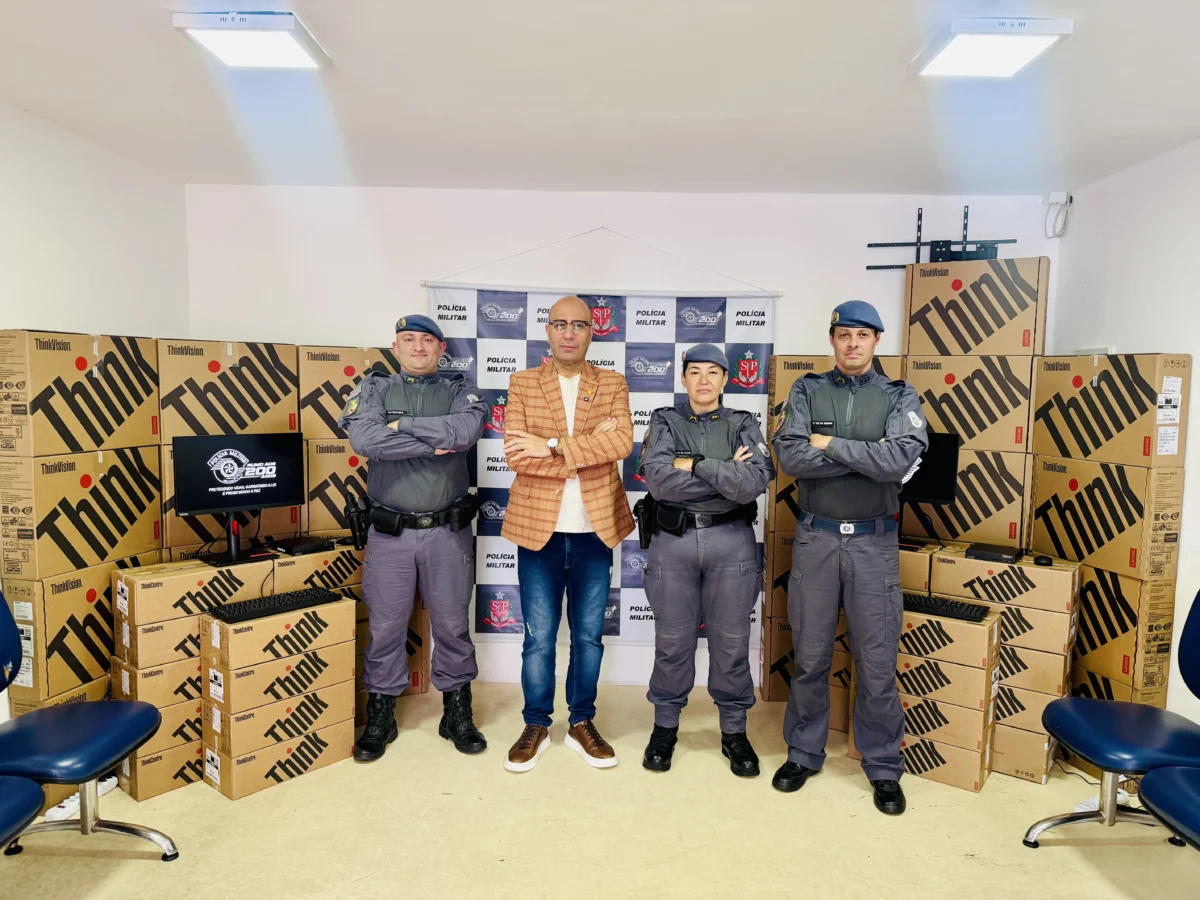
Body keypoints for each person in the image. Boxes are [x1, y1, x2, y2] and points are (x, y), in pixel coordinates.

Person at [771, 300, 928, 815]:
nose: (853, 343)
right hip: (816, 540)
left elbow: (900, 459)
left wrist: (830, 444)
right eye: (844, 335)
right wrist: (867, 454)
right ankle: (803, 753)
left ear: (877, 340)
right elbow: (791, 456)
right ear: (833, 339)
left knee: (877, 661)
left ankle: (882, 765)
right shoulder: (807, 389)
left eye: (863, 335)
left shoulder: (899, 394)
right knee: (811, 656)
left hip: (873, 544)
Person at [340, 314, 489, 762]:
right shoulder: (375, 388)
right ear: (396, 347)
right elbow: (366, 441)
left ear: (441, 348)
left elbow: (464, 433)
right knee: (385, 628)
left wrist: (400, 427)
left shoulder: (460, 389)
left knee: (452, 625)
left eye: (427, 340)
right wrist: (433, 442)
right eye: (409, 339)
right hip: (391, 535)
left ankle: (456, 714)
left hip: (448, 533)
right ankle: (381, 717)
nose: (418, 347)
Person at [500, 295, 635, 773]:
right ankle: (536, 724)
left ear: (592, 331)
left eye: (579, 324)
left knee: (588, 638)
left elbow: (622, 442)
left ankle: (581, 722)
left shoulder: (612, 383)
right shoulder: (523, 383)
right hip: (539, 531)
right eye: (560, 324)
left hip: (595, 530)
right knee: (539, 638)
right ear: (548, 330)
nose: (569, 333)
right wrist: (590, 446)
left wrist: (552, 445)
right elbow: (517, 456)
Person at [637, 344, 774, 777]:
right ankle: (664, 729)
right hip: (673, 542)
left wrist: (692, 464)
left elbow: (753, 482)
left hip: (731, 542)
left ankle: (734, 733)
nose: (703, 380)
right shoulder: (665, 420)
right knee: (673, 642)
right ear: (683, 378)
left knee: (731, 644)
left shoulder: (743, 423)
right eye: (694, 372)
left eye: (712, 372)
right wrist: (722, 470)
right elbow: (659, 482)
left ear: (725, 379)